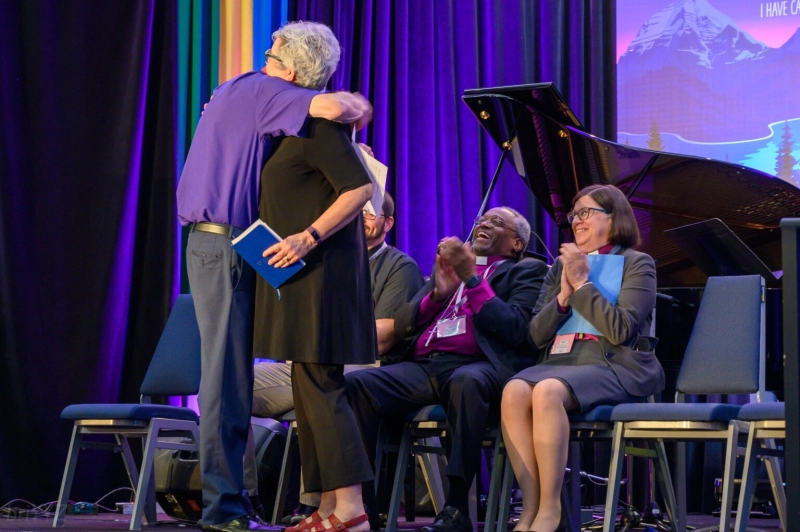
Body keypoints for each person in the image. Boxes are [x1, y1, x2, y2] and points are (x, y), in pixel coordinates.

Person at [176, 21, 372, 532]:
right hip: (225, 241)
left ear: (291, 67)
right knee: (225, 377)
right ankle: (224, 509)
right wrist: (355, 106)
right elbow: (340, 107)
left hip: (239, 242)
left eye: (273, 51)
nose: (265, 56)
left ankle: (240, 504)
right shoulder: (265, 89)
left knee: (238, 375)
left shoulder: (258, 95)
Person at [345, 207, 549, 532]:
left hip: (480, 367)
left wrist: (472, 279)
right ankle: (363, 507)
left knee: (465, 382)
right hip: (426, 366)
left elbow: (517, 329)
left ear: (517, 243)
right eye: (482, 219)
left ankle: (456, 508)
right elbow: (403, 322)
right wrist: (437, 295)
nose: (484, 223)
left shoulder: (526, 270)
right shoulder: (448, 272)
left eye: (498, 222)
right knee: (357, 386)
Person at [246, 192, 424, 515]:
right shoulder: (329, 257)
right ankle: (246, 496)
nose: (362, 217)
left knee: (317, 380)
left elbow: (383, 337)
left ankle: (314, 507)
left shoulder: (400, 266)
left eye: (370, 213)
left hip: (361, 368)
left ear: (389, 223)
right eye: (359, 211)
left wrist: (325, 331)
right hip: (299, 359)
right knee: (230, 385)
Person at [501, 184, 665, 532]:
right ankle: (529, 506)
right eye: (574, 214)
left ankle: (550, 509)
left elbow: (621, 330)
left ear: (614, 217)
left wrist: (582, 285)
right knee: (514, 391)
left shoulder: (638, 263)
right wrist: (561, 298)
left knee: (546, 391)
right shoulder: (558, 267)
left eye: (586, 212)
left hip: (612, 363)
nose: (576, 221)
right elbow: (535, 335)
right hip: (561, 360)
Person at [253, 105, 382, 531]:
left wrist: (308, 237)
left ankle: (351, 509)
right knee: (307, 388)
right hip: (299, 279)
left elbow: (359, 189)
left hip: (323, 277)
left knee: (322, 386)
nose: (266, 64)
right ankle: (327, 508)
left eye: (273, 55)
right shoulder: (289, 127)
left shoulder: (322, 125)